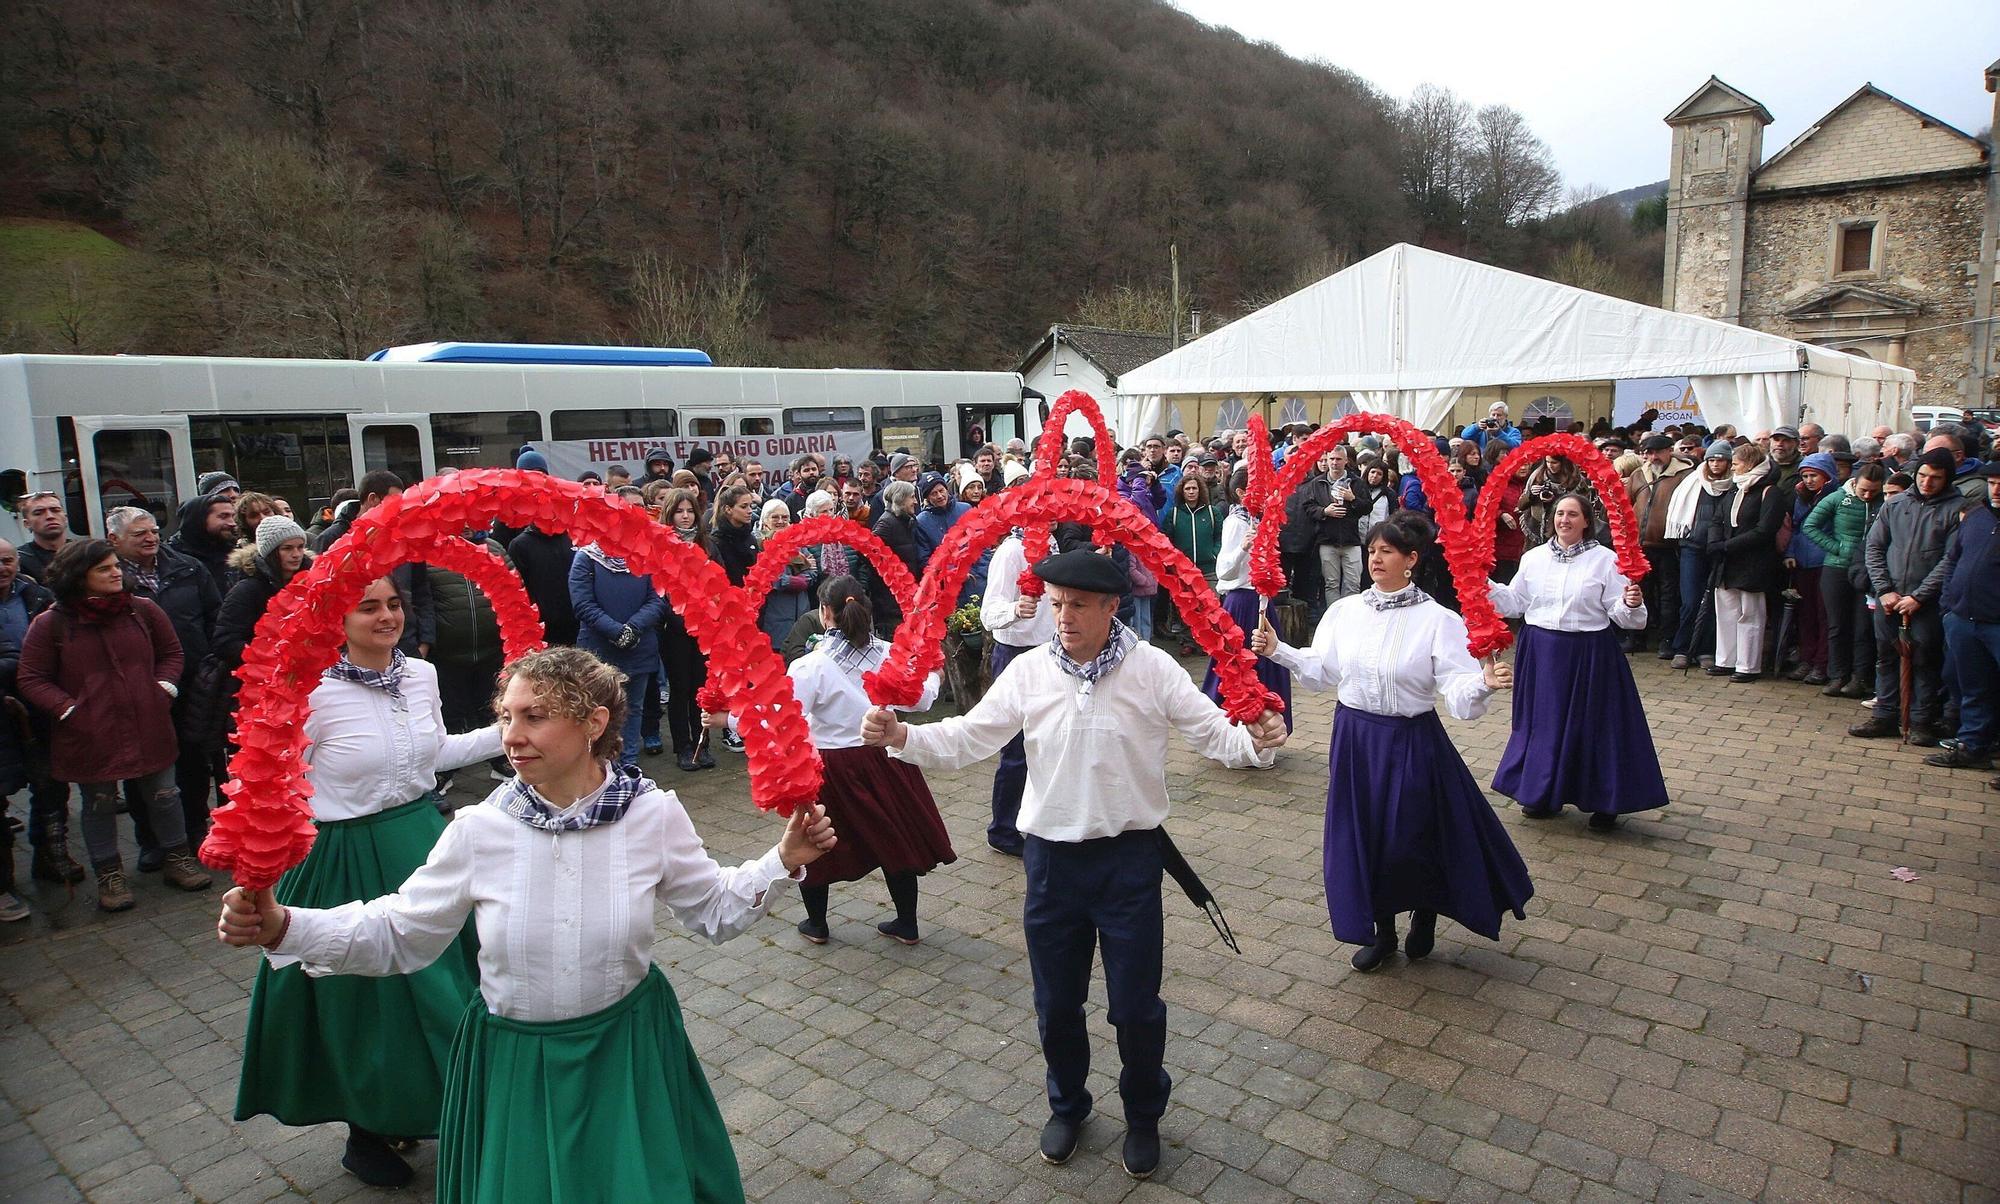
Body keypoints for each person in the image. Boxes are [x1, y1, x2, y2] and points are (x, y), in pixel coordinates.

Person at [218, 646, 836, 1203]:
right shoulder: (479, 829)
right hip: (516, 1059)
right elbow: (401, 932)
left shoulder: (652, 815)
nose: (511, 735)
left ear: (594, 723)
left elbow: (713, 911)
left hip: (626, 1050)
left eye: (534, 716)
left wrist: (780, 863)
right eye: (507, 716)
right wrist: (283, 926)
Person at [863, 549, 1286, 1180]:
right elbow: (971, 737)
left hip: (1129, 863)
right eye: (1058, 603)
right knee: (1057, 1003)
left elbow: (1213, 733)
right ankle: (1068, 1104)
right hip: (1051, 866)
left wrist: (1257, 740)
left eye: (1079, 605)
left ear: (1113, 607)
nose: (1063, 616)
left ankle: (1143, 1115)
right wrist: (904, 739)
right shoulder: (1030, 671)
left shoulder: (1152, 669)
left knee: (1135, 1006)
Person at [233, 575, 501, 1187]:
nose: (387, 617)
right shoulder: (310, 693)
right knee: (361, 1005)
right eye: (368, 607)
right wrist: (258, 864)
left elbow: (432, 753)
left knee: (451, 987)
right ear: (337, 620)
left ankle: (454, 1110)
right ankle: (366, 1128)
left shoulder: (420, 676)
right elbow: (269, 781)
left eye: (393, 604)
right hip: (344, 856)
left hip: (418, 841)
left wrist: (521, 734)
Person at [1254, 511, 1532, 969]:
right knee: (1366, 837)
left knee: (1412, 833)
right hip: (1355, 739)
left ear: (1412, 559)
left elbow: (1459, 696)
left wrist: (1484, 682)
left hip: (1410, 740)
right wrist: (1278, 651)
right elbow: (1323, 673)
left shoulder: (1438, 619)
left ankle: (1425, 913)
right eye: (1371, 551)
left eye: (1386, 551)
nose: (1376, 559)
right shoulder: (1346, 611)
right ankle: (1381, 931)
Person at [725, 577, 952, 944]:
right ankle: (906, 923)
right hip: (886, 758)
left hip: (830, 767)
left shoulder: (811, 665)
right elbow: (920, 699)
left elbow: (781, 718)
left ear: (824, 613)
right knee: (895, 837)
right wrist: (936, 679)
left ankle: (817, 924)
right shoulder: (891, 653)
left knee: (816, 844)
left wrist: (728, 718)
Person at [16, 540, 213, 909]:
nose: (116, 573)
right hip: (89, 731)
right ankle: (110, 876)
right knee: (98, 804)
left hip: (147, 720)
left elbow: (172, 653)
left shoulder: (143, 610)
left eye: (115, 566)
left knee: (165, 796)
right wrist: (68, 710)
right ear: (79, 577)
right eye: (104, 569)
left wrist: (163, 688)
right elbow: (32, 678)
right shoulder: (52, 622)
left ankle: (178, 858)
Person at [1487, 495, 1670, 829]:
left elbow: (1625, 617)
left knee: (1595, 726)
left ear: (1587, 521)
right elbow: (1514, 603)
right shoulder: (1534, 557)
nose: (1564, 520)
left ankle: (1605, 799)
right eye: (1559, 513)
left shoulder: (1606, 560)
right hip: (1540, 651)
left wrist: (1631, 603)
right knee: (1543, 725)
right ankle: (1542, 793)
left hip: (1589, 652)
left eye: (1573, 514)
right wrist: (1480, 583)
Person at [109, 505, 225, 856]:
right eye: (139, 533)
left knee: (192, 763)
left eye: (154, 531)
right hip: (136, 689)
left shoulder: (186, 567)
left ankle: (194, 832)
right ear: (114, 540)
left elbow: (214, 615)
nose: (151, 538)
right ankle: (151, 842)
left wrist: (207, 663)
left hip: (190, 684)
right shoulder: (107, 577)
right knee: (142, 767)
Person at [1851, 450, 1975, 746]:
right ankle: (1885, 713)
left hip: (1927, 601)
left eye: (1935, 478)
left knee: (1923, 659)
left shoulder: (1958, 509)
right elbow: (1875, 547)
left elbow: (1950, 559)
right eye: (1922, 476)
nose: (1927, 483)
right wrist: (1884, 590)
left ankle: (1919, 719)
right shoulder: (1895, 504)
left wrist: (1919, 597)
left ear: (1947, 479)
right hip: (1889, 597)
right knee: (1886, 655)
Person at [1203, 467, 1292, 734]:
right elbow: (1224, 571)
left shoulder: (1261, 520)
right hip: (1242, 602)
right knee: (1238, 667)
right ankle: (1231, 729)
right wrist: (1243, 549)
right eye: (1260, 490)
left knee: (1267, 663)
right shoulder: (1236, 522)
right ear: (1242, 493)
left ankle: (1264, 729)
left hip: (1261, 600)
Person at [569, 540, 670, 770]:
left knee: (633, 708)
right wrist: (616, 631)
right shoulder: (587, 558)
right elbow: (583, 603)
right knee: (598, 710)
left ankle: (628, 764)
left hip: (639, 647)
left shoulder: (647, 553)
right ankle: (599, 766)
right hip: (599, 650)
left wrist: (633, 628)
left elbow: (657, 599)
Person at [312, 471, 436, 658]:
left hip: (406, 646)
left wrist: (424, 642)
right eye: (395, 502)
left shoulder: (405, 537)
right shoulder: (332, 539)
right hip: (353, 653)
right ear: (373, 499)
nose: (400, 509)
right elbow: (323, 600)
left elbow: (421, 592)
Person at [1928, 462, 2000, 769]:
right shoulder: (1976, 517)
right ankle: (1973, 746)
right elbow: (1953, 560)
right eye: (1993, 482)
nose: (1996, 490)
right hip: (1962, 618)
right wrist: (1949, 604)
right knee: (1972, 686)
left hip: (1995, 621)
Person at [1802, 462, 1886, 699]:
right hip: (1837, 567)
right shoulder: (1839, 498)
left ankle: (1860, 677)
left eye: (1874, 491)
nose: (1868, 495)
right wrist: (1837, 547)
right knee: (1837, 624)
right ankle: (1837, 674)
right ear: (1855, 484)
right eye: (1864, 490)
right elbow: (1810, 525)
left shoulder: (1884, 503)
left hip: (1869, 571)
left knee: (1862, 627)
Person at [1706, 443, 1785, 682]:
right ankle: (1725, 660)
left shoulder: (1770, 492)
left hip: (1753, 560)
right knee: (1726, 611)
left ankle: (1748, 666)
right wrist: (1714, 543)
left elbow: (1765, 529)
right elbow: (1717, 519)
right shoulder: (1734, 488)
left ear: (1749, 464)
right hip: (1726, 561)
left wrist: (1727, 546)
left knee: (1750, 614)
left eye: (1737, 464)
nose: (1733, 468)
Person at [652, 489, 713, 771]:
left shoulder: (707, 545)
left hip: (705, 629)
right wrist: (679, 618)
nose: (686, 517)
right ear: (670, 514)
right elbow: (658, 590)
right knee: (680, 688)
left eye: (690, 511)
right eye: (680, 511)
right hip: (675, 629)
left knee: (702, 688)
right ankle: (683, 746)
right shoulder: (661, 547)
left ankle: (703, 743)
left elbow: (719, 583)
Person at [1626, 434, 1690, 656]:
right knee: (1639, 592)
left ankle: (1667, 640)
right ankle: (1637, 638)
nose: (1653, 457)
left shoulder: (1684, 475)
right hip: (1639, 545)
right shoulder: (1637, 474)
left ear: (1669, 450)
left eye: (1658, 452)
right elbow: (1626, 505)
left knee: (1668, 595)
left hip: (1669, 545)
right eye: (1649, 452)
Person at [1783, 452, 1839, 684]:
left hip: (1826, 563)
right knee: (1805, 615)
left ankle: (1821, 663)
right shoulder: (1801, 497)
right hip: (1803, 563)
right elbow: (1795, 528)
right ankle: (1807, 658)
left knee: (1824, 615)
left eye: (1813, 475)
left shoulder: (1836, 498)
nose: (1808, 480)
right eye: (1805, 475)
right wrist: (1790, 553)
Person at [1159, 474, 1221, 655]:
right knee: (1187, 608)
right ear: (1182, 491)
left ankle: (1208, 642)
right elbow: (1166, 539)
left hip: (1208, 568)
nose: (1191, 492)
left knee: (1209, 606)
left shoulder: (1212, 512)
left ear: (1200, 490)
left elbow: (1219, 536)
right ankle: (1188, 641)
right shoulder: (1175, 513)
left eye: (1194, 488)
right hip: (1183, 570)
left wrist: (1214, 553)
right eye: (1188, 489)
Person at [1304, 445, 1365, 605]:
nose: (1334, 463)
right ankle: (1334, 619)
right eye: (1331, 459)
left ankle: (1349, 619)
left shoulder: (1356, 482)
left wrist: (1353, 499)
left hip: (1351, 540)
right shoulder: (1317, 483)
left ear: (1346, 461)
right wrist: (1325, 511)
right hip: (1327, 540)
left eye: (1338, 459)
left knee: (1353, 584)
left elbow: (1367, 507)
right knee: (1331, 584)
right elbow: (1308, 507)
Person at [755, 499, 816, 649]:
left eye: (784, 517)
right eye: (775, 517)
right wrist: (790, 581)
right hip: (774, 620)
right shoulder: (760, 545)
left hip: (800, 618)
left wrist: (803, 579)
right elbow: (768, 578)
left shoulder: (797, 544)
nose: (780, 521)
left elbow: (813, 573)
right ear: (765, 520)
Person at [867, 481, 921, 635]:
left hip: (905, 600)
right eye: (911, 497)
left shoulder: (905, 520)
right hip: (891, 606)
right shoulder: (886, 524)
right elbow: (870, 557)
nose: (915, 502)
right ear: (900, 499)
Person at [168, 492, 240, 595]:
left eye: (232, 516)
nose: (232, 523)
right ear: (199, 519)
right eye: (223, 516)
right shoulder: (171, 557)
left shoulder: (235, 553)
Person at [16, 490, 76, 582]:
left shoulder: (86, 552)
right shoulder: (19, 560)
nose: (49, 516)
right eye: (38, 513)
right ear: (27, 523)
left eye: (55, 510)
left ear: (66, 518)